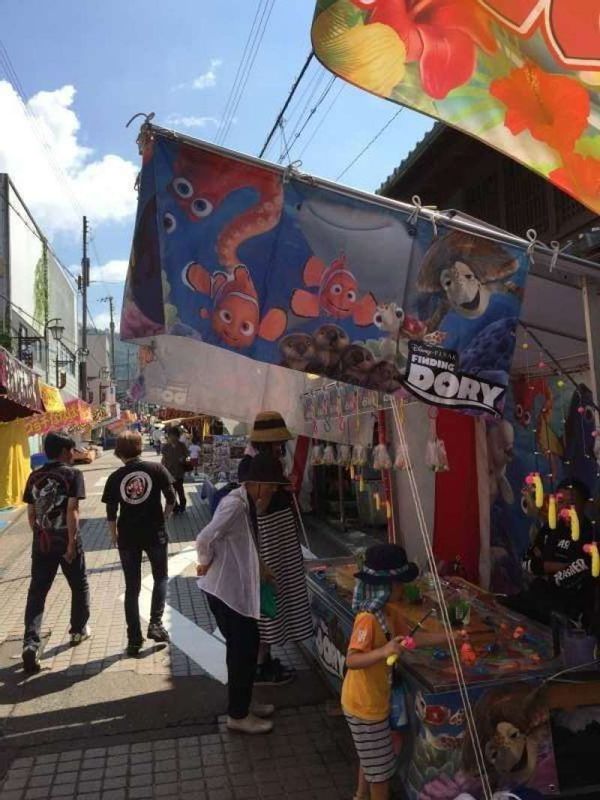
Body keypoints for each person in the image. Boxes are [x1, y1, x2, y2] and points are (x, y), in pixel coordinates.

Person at [343, 544, 449, 800]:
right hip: (363, 706)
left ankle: (359, 796)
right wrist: (384, 651)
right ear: (386, 586)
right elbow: (352, 659)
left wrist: (449, 637)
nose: (403, 589)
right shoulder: (368, 619)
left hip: (374, 701)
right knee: (381, 774)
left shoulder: (387, 613)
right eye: (400, 584)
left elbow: (413, 639)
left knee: (370, 760)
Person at [196, 452, 284, 735]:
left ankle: (244, 703)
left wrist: (262, 567)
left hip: (234, 589)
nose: (272, 491)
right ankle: (238, 715)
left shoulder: (245, 505)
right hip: (225, 592)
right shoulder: (234, 506)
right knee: (242, 651)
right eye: (270, 485)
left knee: (246, 648)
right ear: (256, 483)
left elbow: (243, 544)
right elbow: (205, 537)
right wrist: (204, 562)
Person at [237, 411, 314, 686]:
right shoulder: (264, 462)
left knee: (268, 602)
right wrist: (278, 491)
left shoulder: (253, 462)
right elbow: (261, 504)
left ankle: (264, 662)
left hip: (268, 539)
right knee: (269, 601)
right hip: (271, 541)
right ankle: (262, 666)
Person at [21, 431, 91, 674]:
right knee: (79, 585)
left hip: (42, 542)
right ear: (63, 451)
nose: (74, 454)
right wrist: (71, 544)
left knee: (37, 593)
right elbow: (72, 511)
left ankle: (30, 643)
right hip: (65, 540)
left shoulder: (34, 476)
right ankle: (77, 631)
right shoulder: (72, 474)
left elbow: (31, 513)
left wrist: (39, 535)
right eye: (72, 450)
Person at [102, 430, 176, 656]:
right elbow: (171, 497)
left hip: (128, 535)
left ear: (118, 452)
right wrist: (164, 517)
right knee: (160, 576)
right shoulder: (156, 469)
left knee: (131, 587)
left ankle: (134, 639)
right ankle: (156, 623)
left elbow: (111, 511)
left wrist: (113, 534)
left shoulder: (116, 477)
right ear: (140, 447)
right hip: (154, 532)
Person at [503, 478, 594, 627]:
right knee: (503, 608)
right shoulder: (550, 529)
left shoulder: (590, 536)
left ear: (584, 505)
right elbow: (526, 562)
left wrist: (544, 567)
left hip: (568, 611)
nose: (564, 508)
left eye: (570, 503)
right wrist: (555, 566)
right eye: (560, 502)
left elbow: (565, 579)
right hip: (538, 597)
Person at [161, 426, 188, 514]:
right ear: (168, 436)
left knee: (180, 491)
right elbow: (163, 459)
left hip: (179, 472)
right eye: (171, 435)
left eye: (174, 435)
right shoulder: (165, 447)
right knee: (172, 492)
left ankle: (183, 506)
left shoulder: (182, 445)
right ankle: (175, 508)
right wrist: (161, 469)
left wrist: (183, 458)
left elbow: (186, 455)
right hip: (169, 473)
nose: (172, 437)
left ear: (178, 436)